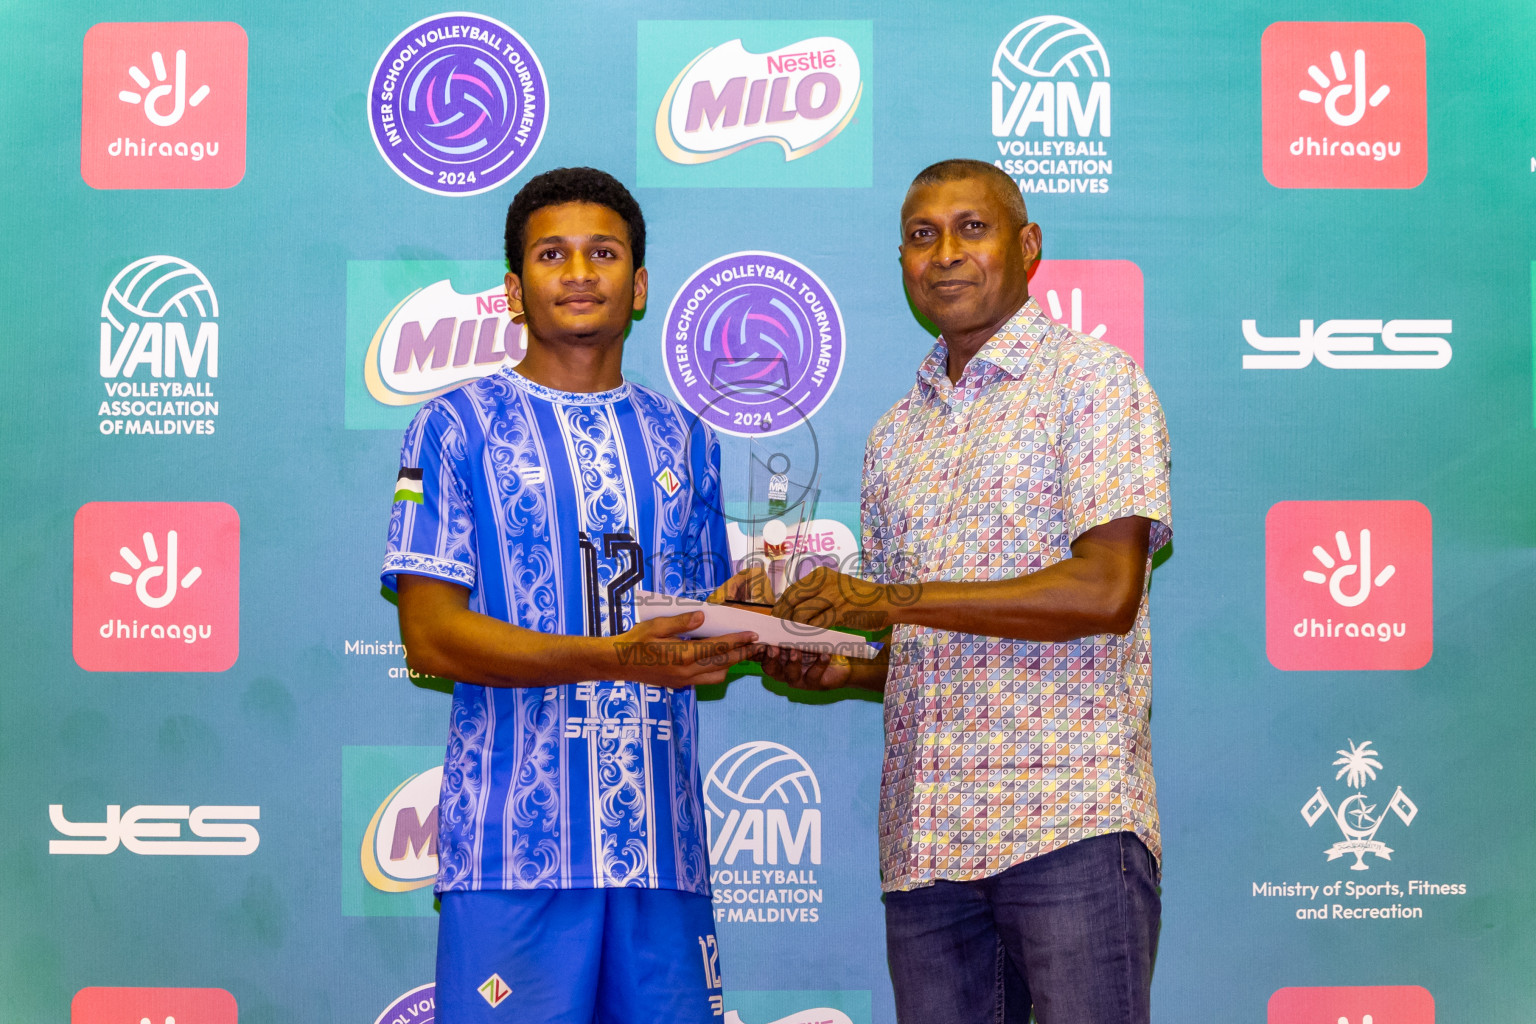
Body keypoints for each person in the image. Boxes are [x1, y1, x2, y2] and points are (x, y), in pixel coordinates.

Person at [764, 158, 1172, 1024]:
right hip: (927, 851)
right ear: (903, 263)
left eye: (970, 229)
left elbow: (1105, 592)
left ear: (1027, 247)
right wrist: (847, 667)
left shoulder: (1094, 385)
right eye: (921, 236)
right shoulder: (893, 437)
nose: (944, 253)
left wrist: (892, 602)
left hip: (1069, 827)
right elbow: (922, 640)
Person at [381, 167, 760, 1024]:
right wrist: (616, 657)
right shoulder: (454, 425)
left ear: (641, 284)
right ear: (515, 290)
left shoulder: (683, 435)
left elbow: (692, 643)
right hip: (513, 854)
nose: (581, 272)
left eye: (604, 252)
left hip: (663, 852)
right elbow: (431, 640)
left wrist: (762, 617)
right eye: (553, 255)